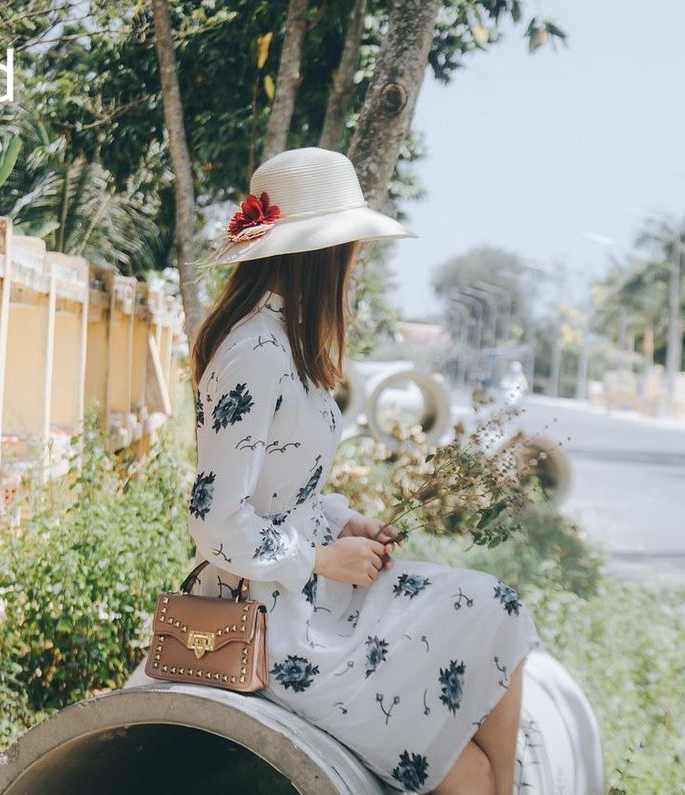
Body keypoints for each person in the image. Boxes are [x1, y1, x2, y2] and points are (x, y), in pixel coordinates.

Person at [188, 147, 540, 795]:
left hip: (312, 597)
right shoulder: (256, 351)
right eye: (353, 244)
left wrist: (345, 520)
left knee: (498, 608)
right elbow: (217, 524)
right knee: (471, 776)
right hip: (276, 626)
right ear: (322, 253)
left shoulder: (287, 340)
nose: (359, 259)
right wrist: (324, 557)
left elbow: (283, 491)